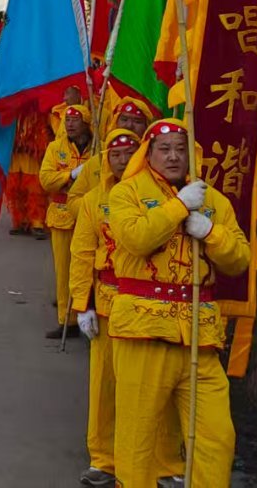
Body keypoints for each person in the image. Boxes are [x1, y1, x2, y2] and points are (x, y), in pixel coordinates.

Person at [107, 121, 250, 488]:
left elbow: (239, 260)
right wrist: (176, 209)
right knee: (138, 438)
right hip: (144, 331)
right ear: (149, 152)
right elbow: (135, 238)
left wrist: (210, 232)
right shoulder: (126, 193)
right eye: (164, 148)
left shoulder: (211, 199)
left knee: (216, 439)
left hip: (200, 337)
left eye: (180, 148)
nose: (173, 156)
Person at [69, 125, 179, 488]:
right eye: (114, 154)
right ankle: (104, 459)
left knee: (158, 387)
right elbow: (82, 254)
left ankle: (165, 462)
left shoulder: (161, 195)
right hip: (107, 303)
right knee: (106, 388)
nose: (120, 160)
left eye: (127, 153)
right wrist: (81, 304)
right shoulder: (92, 202)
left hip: (151, 307)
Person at [38, 103, 98, 340]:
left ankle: (90, 314)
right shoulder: (55, 148)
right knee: (64, 271)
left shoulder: (97, 148)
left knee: (89, 270)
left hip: (90, 218)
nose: (70, 124)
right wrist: (71, 175)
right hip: (62, 215)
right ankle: (67, 320)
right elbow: (46, 179)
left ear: (86, 122)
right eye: (67, 120)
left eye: (75, 119)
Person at [3, 108, 53, 239]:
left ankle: (37, 223)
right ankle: (22, 221)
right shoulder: (8, 107)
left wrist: (37, 145)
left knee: (34, 189)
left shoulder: (40, 110)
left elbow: (47, 130)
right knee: (15, 189)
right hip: (14, 154)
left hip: (32, 154)